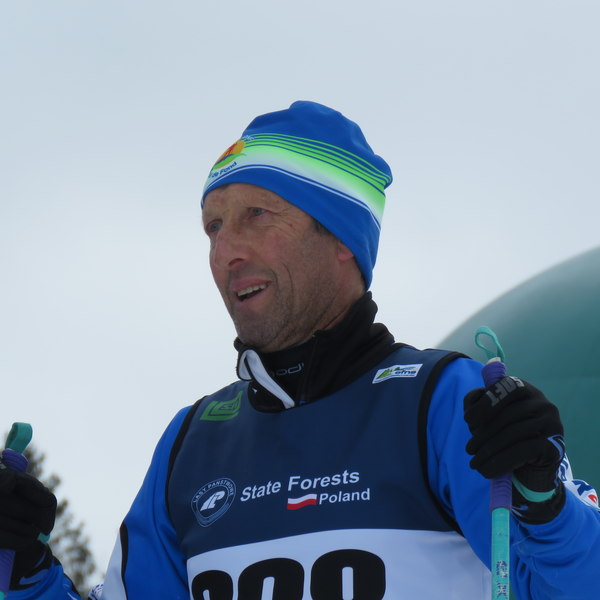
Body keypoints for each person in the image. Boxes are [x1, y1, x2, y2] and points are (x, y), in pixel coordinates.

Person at [1, 100, 599, 599]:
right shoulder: (193, 443)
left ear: (340, 238)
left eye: (257, 215)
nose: (225, 252)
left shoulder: (443, 402)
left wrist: (545, 503)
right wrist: (20, 568)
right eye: (213, 227)